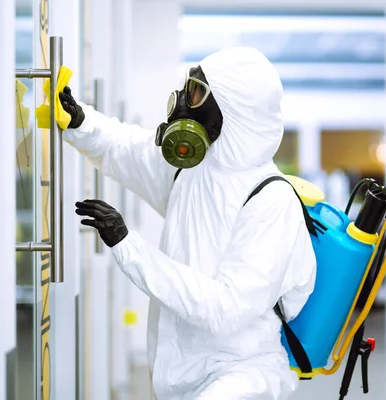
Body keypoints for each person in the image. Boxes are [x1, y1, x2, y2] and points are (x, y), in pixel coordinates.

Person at [61, 47, 316, 399]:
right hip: (177, 376)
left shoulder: (272, 202)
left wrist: (129, 247)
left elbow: (225, 309)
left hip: (241, 376)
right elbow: (127, 150)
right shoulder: (193, 169)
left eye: (196, 93)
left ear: (231, 110)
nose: (183, 101)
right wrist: (81, 123)